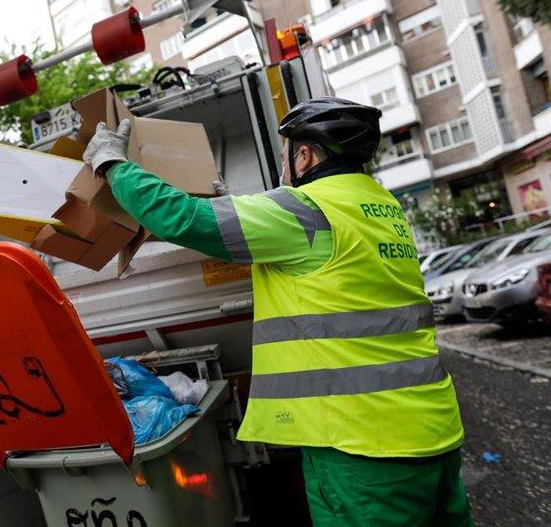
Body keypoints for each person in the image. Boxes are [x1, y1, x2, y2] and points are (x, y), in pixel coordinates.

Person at [83, 96, 473, 526]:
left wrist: (114, 166)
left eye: (286, 154)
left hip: (363, 446)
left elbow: (183, 218)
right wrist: (240, 211)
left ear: (304, 156)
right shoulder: (381, 207)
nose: (284, 166)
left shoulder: (306, 210)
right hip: (432, 429)